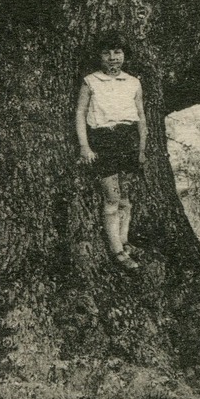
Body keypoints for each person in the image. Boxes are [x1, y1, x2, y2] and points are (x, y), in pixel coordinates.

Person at [75, 33, 146, 269]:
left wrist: (142, 147)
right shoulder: (91, 81)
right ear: (99, 56)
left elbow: (141, 117)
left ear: (124, 56)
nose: (113, 58)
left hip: (128, 140)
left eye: (117, 52)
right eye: (107, 53)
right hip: (103, 140)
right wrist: (85, 146)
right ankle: (117, 252)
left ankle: (124, 241)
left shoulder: (133, 82)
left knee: (126, 197)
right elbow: (80, 115)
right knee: (112, 197)